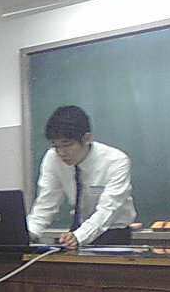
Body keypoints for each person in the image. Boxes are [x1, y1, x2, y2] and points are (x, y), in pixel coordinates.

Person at [27, 105, 136, 249]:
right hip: (77, 231)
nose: (61, 152)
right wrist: (29, 233)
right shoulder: (52, 158)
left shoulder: (116, 160)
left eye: (66, 145)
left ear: (87, 138)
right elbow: (46, 203)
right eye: (55, 145)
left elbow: (109, 209)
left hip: (113, 233)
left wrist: (80, 236)